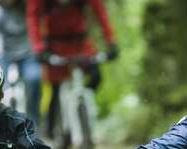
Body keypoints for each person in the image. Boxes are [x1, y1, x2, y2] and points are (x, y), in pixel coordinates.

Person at [26, 0, 119, 138]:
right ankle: (53, 132)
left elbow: (100, 12)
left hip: (80, 45)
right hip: (54, 47)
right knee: (55, 90)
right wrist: (38, 48)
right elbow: (33, 17)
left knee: (95, 77)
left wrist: (111, 42)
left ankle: (84, 113)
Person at [0, 0, 42, 125]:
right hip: (4, 55)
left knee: (34, 80)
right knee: (0, 89)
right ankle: (0, 125)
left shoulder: (29, 7)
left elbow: (39, 25)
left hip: (28, 54)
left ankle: (34, 124)